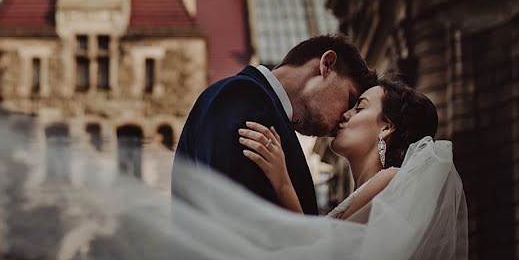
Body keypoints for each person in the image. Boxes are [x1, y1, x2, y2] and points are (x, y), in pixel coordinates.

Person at [173, 34, 378, 215]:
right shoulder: (242, 97)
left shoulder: (261, 107)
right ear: (327, 64)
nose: (346, 116)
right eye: (350, 100)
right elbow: (242, 224)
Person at [240, 77, 440, 221]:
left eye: (359, 108)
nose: (345, 114)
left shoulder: (390, 180)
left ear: (387, 127)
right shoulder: (367, 190)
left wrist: (282, 182)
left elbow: (319, 251)